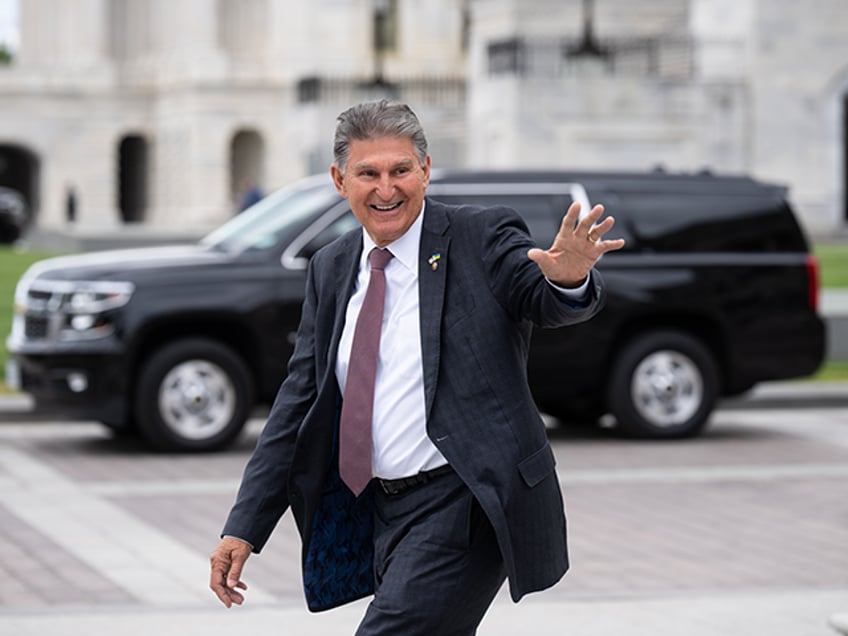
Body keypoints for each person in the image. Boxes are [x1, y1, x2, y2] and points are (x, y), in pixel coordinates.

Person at [210, 99, 625, 634]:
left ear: (425, 171)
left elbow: (538, 297)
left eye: (401, 170)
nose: (387, 188)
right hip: (377, 510)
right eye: (369, 173)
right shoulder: (331, 267)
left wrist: (567, 279)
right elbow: (298, 402)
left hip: (467, 500)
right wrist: (243, 527)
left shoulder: (481, 237)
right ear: (340, 180)